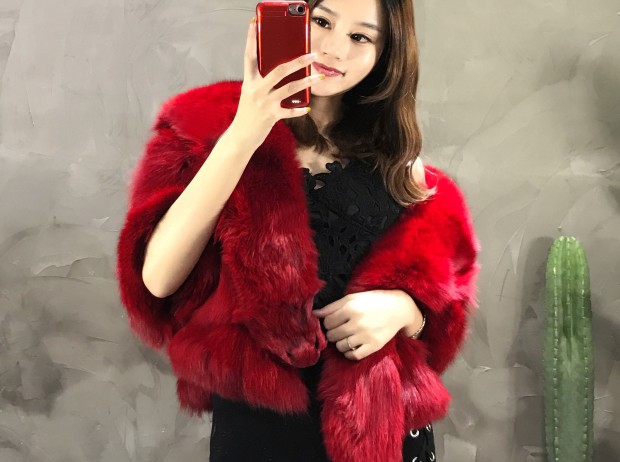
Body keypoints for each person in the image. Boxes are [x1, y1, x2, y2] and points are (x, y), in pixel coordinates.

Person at [116, 0, 481, 461]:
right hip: (261, 435)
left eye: (360, 37)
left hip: (383, 435)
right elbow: (158, 278)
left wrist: (405, 310)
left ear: (385, 55)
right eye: (322, 21)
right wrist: (246, 131)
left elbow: (444, 304)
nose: (333, 49)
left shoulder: (399, 167)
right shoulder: (201, 125)